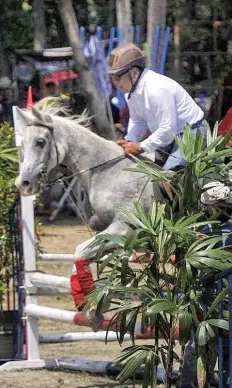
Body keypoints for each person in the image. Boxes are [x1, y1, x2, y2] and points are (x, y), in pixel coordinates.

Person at [107, 43, 206, 170]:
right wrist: (130, 140)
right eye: (112, 78)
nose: (115, 83)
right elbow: (138, 121)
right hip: (169, 135)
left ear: (134, 72)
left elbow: (167, 130)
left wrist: (140, 147)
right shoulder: (131, 93)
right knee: (154, 172)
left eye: (117, 77)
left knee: (169, 175)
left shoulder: (157, 89)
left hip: (193, 132)